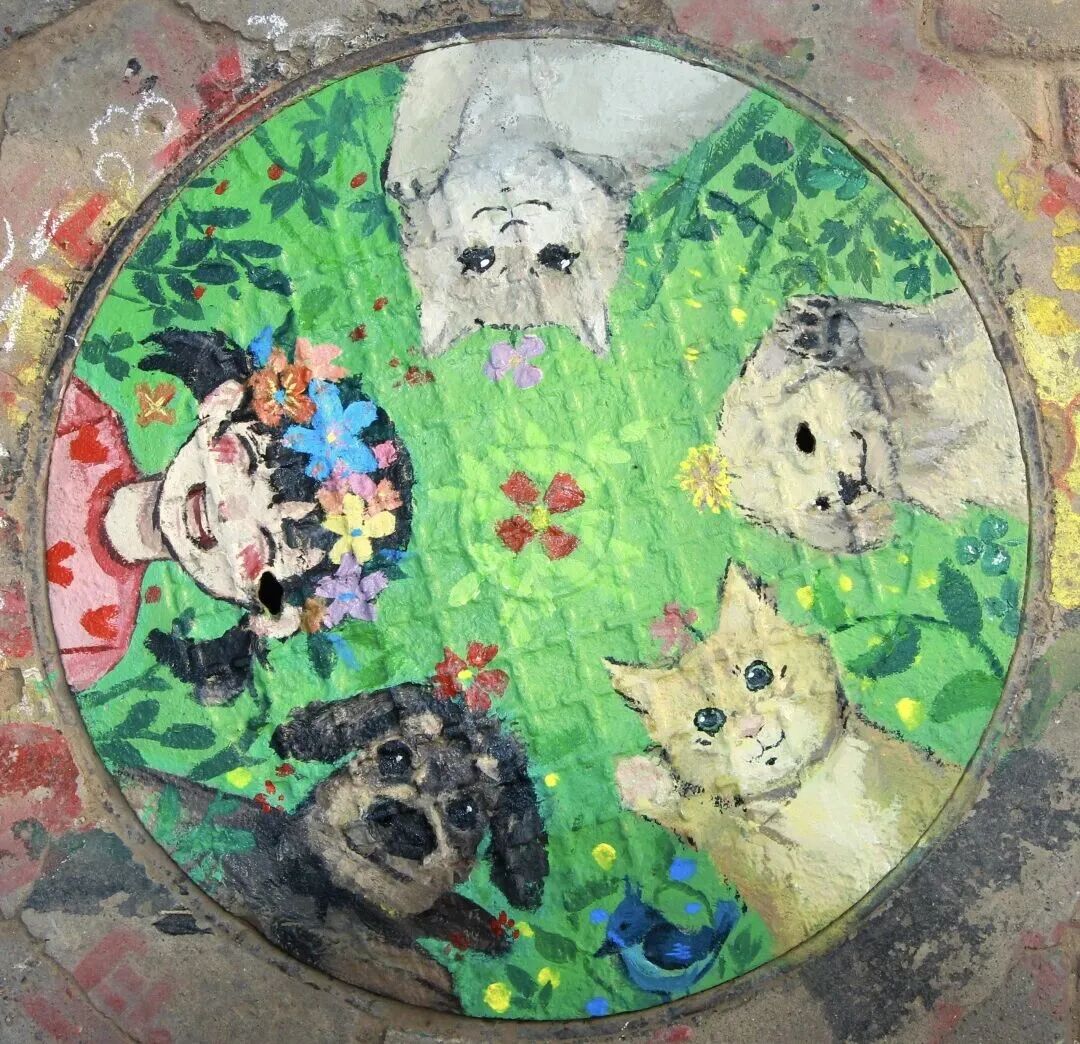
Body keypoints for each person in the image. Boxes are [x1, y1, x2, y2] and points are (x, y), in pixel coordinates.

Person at [46, 327, 412, 704]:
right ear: (221, 404)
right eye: (249, 457)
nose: (226, 511)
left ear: (269, 611)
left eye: (270, 546)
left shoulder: (95, 644)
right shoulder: (75, 418)